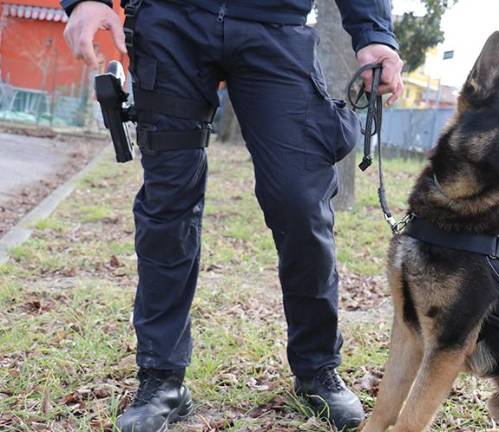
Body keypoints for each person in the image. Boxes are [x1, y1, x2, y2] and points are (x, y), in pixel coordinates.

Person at [60, 0, 403, 430]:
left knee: (300, 201)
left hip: (275, 23)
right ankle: (162, 377)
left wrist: (374, 34)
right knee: (168, 203)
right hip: (170, 22)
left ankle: (316, 369)